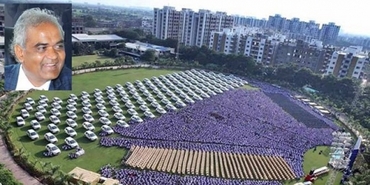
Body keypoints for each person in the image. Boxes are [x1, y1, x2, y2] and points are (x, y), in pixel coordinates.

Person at [4, 7, 71, 91]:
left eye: (59, 46)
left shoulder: (70, 81)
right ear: (20, 53)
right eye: (42, 48)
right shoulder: (5, 77)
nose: (53, 56)